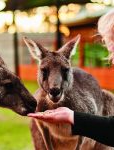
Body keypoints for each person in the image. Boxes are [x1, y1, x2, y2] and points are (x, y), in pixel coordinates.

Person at [28, 9, 114, 147]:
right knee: (35, 117)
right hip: (56, 138)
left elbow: (92, 110)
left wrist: (73, 117)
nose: (106, 44)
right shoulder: (40, 101)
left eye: (109, 38)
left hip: (91, 139)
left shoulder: (79, 99)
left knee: (108, 98)